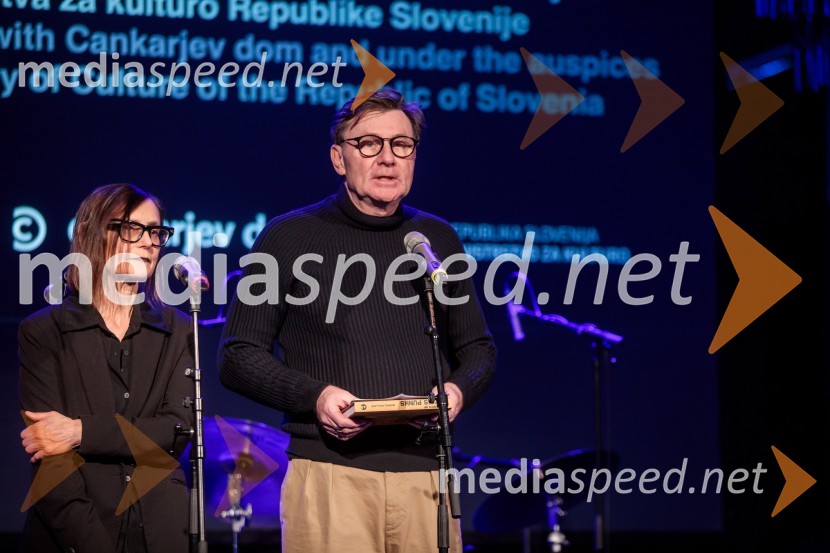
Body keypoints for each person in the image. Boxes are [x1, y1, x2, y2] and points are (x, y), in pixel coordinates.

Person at [218, 88, 497, 552]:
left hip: (427, 477)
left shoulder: (435, 239)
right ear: (338, 157)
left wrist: (457, 390)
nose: (387, 158)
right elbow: (237, 355)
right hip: (330, 477)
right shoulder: (288, 237)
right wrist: (316, 396)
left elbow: (479, 350)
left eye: (401, 145)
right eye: (368, 143)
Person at [18, 183, 194, 553]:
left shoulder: (178, 329)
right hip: (74, 537)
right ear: (93, 233)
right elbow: (50, 457)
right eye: (133, 228)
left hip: (159, 534)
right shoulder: (45, 332)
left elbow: (175, 432)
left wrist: (81, 431)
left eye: (157, 232)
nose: (149, 242)